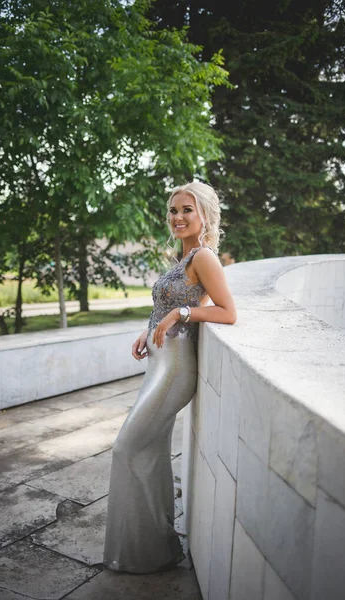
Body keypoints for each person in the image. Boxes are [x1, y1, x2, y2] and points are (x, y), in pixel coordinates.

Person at [102, 181, 237, 574]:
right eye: (174, 211)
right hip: (159, 361)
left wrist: (181, 315)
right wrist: (150, 328)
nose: (177, 217)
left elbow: (228, 312)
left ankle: (142, 551)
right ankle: (156, 550)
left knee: (127, 446)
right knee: (150, 449)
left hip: (177, 369)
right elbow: (170, 301)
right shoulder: (184, 257)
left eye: (186, 210)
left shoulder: (205, 258)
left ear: (204, 216)